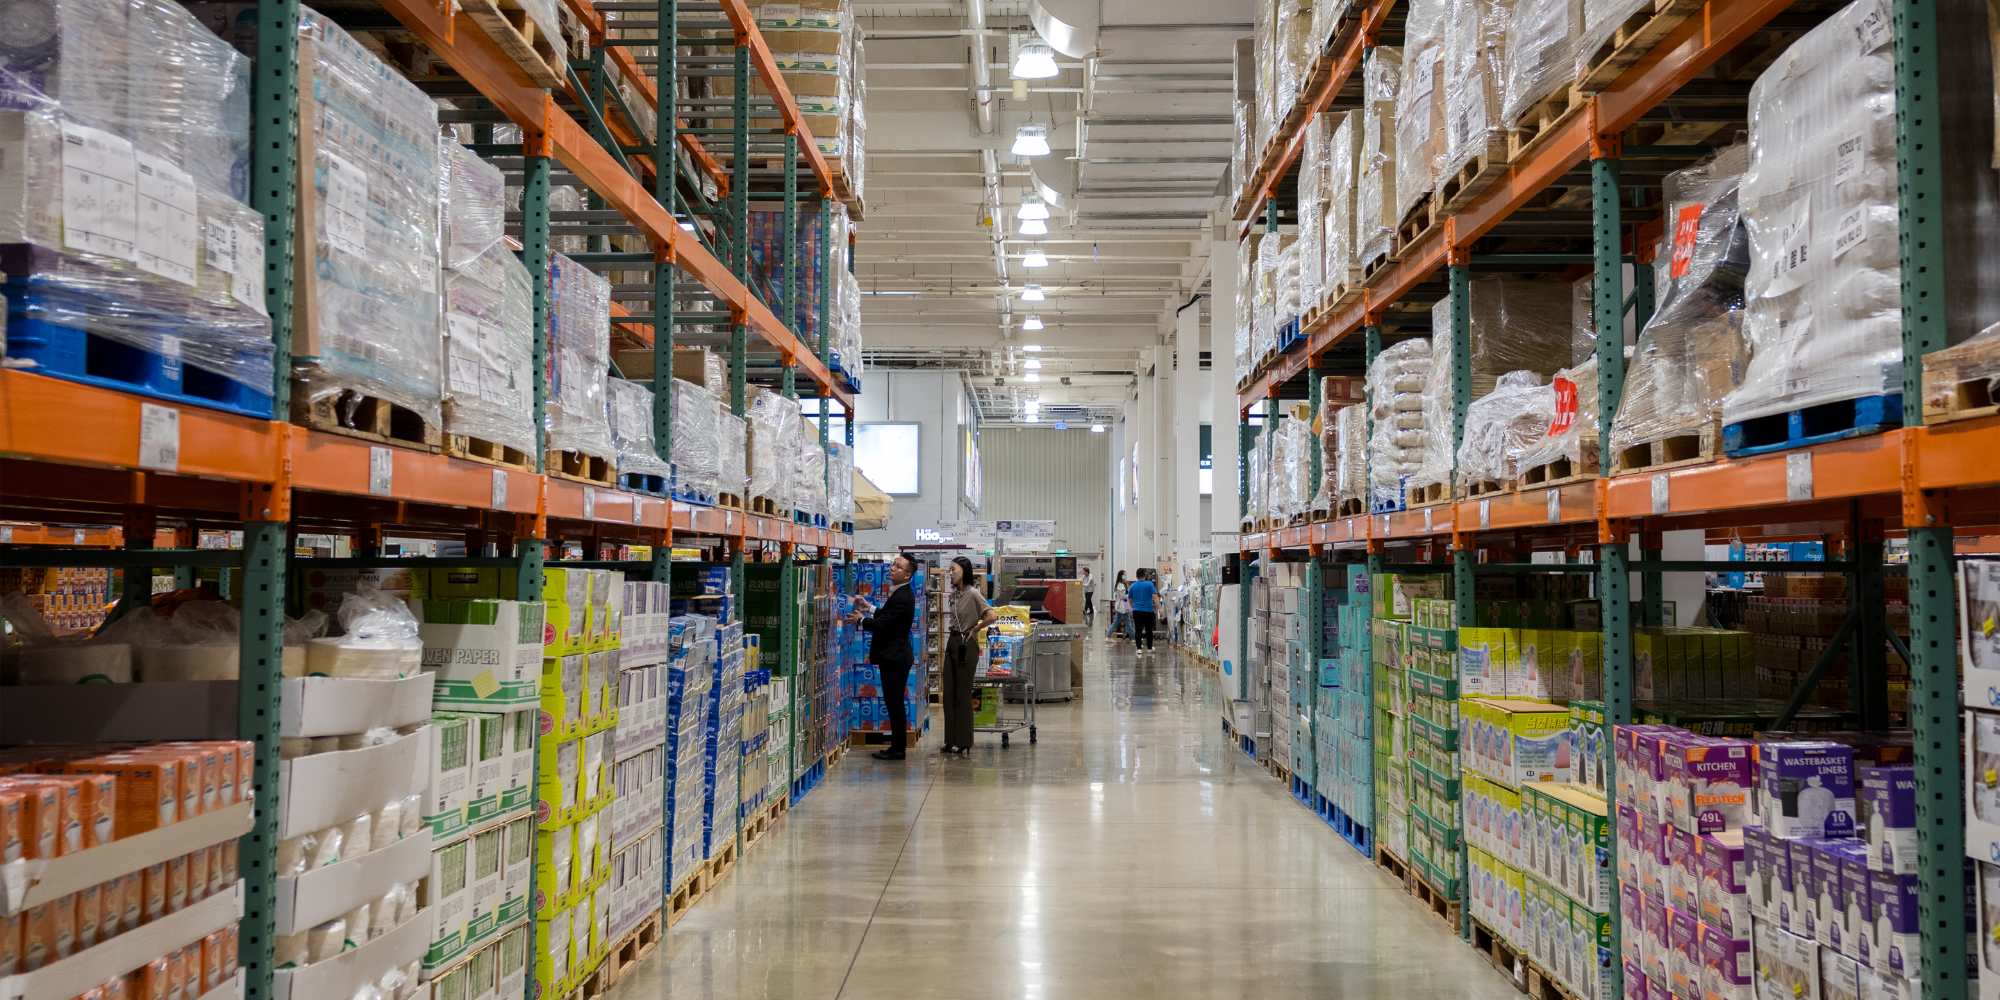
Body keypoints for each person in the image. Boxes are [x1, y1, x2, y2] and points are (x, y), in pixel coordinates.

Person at [854, 553, 919, 760]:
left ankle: (898, 748)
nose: (892, 568)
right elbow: (888, 616)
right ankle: (896, 747)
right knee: (893, 702)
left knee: (895, 703)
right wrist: (870, 608)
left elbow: (885, 625)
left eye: (898, 567)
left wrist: (861, 621)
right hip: (894, 657)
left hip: (895, 658)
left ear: (907, 574)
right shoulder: (899, 593)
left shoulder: (903, 596)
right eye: (893, 565)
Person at [941, 556, 997, 755]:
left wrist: (976, 628)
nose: (951, 573)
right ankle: (950, 739)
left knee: (963, 694)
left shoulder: (974, 593)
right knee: (949, 693)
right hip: (952, 642)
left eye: (953, 569)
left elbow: (991, 615)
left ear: (964, 571)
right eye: (949, 570)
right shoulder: (954, 595)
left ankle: (964, 741)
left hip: (967, 643)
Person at [1128, 569, 1158, 652]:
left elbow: (1129, 599)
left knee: (1138, 630)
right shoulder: (1150, 584)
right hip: (1148, 611)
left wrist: (1131, 608)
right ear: (1145, 575)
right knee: (1149, 630)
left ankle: (1139, 649)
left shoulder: (1132, 586)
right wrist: (1159, 608)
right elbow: (1155, 597)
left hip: (1137, 611)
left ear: (1136, 576)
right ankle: (1149, 648)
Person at [1110, 572, 1131, 639]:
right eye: (1124, 575)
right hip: (1122, 605)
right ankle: (1133, 637)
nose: (1125, 576)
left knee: (1119, 622)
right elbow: (1122, 596)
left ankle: (1131, 636)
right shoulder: (1120, 585)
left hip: (1125, 604)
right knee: (1128, 623)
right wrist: (1129, 595)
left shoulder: (1124, 584)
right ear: (1121, 576)